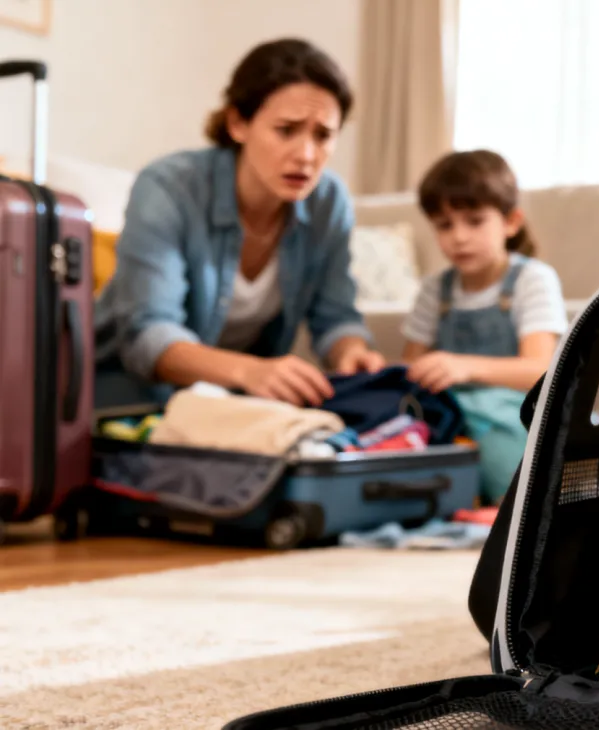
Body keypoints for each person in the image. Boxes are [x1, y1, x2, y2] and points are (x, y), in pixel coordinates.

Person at [94, 38, 385, 411]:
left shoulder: (329, 201)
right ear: (237, 123)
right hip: (127, 389)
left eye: (323, 135)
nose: (307, 155)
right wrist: (250, 373)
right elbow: (147, 334)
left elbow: (336, 316)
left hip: (231, 397)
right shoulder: (169, 187)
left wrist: (352, 353)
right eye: (286, 130)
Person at [400, 150, 568, 505]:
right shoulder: (435, 290)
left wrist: (463, 367)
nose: (459, 237)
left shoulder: (532, 279)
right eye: (445, 225)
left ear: (511, 222)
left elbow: (540, 371)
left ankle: (509, 504)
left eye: (474, 221)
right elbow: (408, 371)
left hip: (517, 418)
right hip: (458, 419)